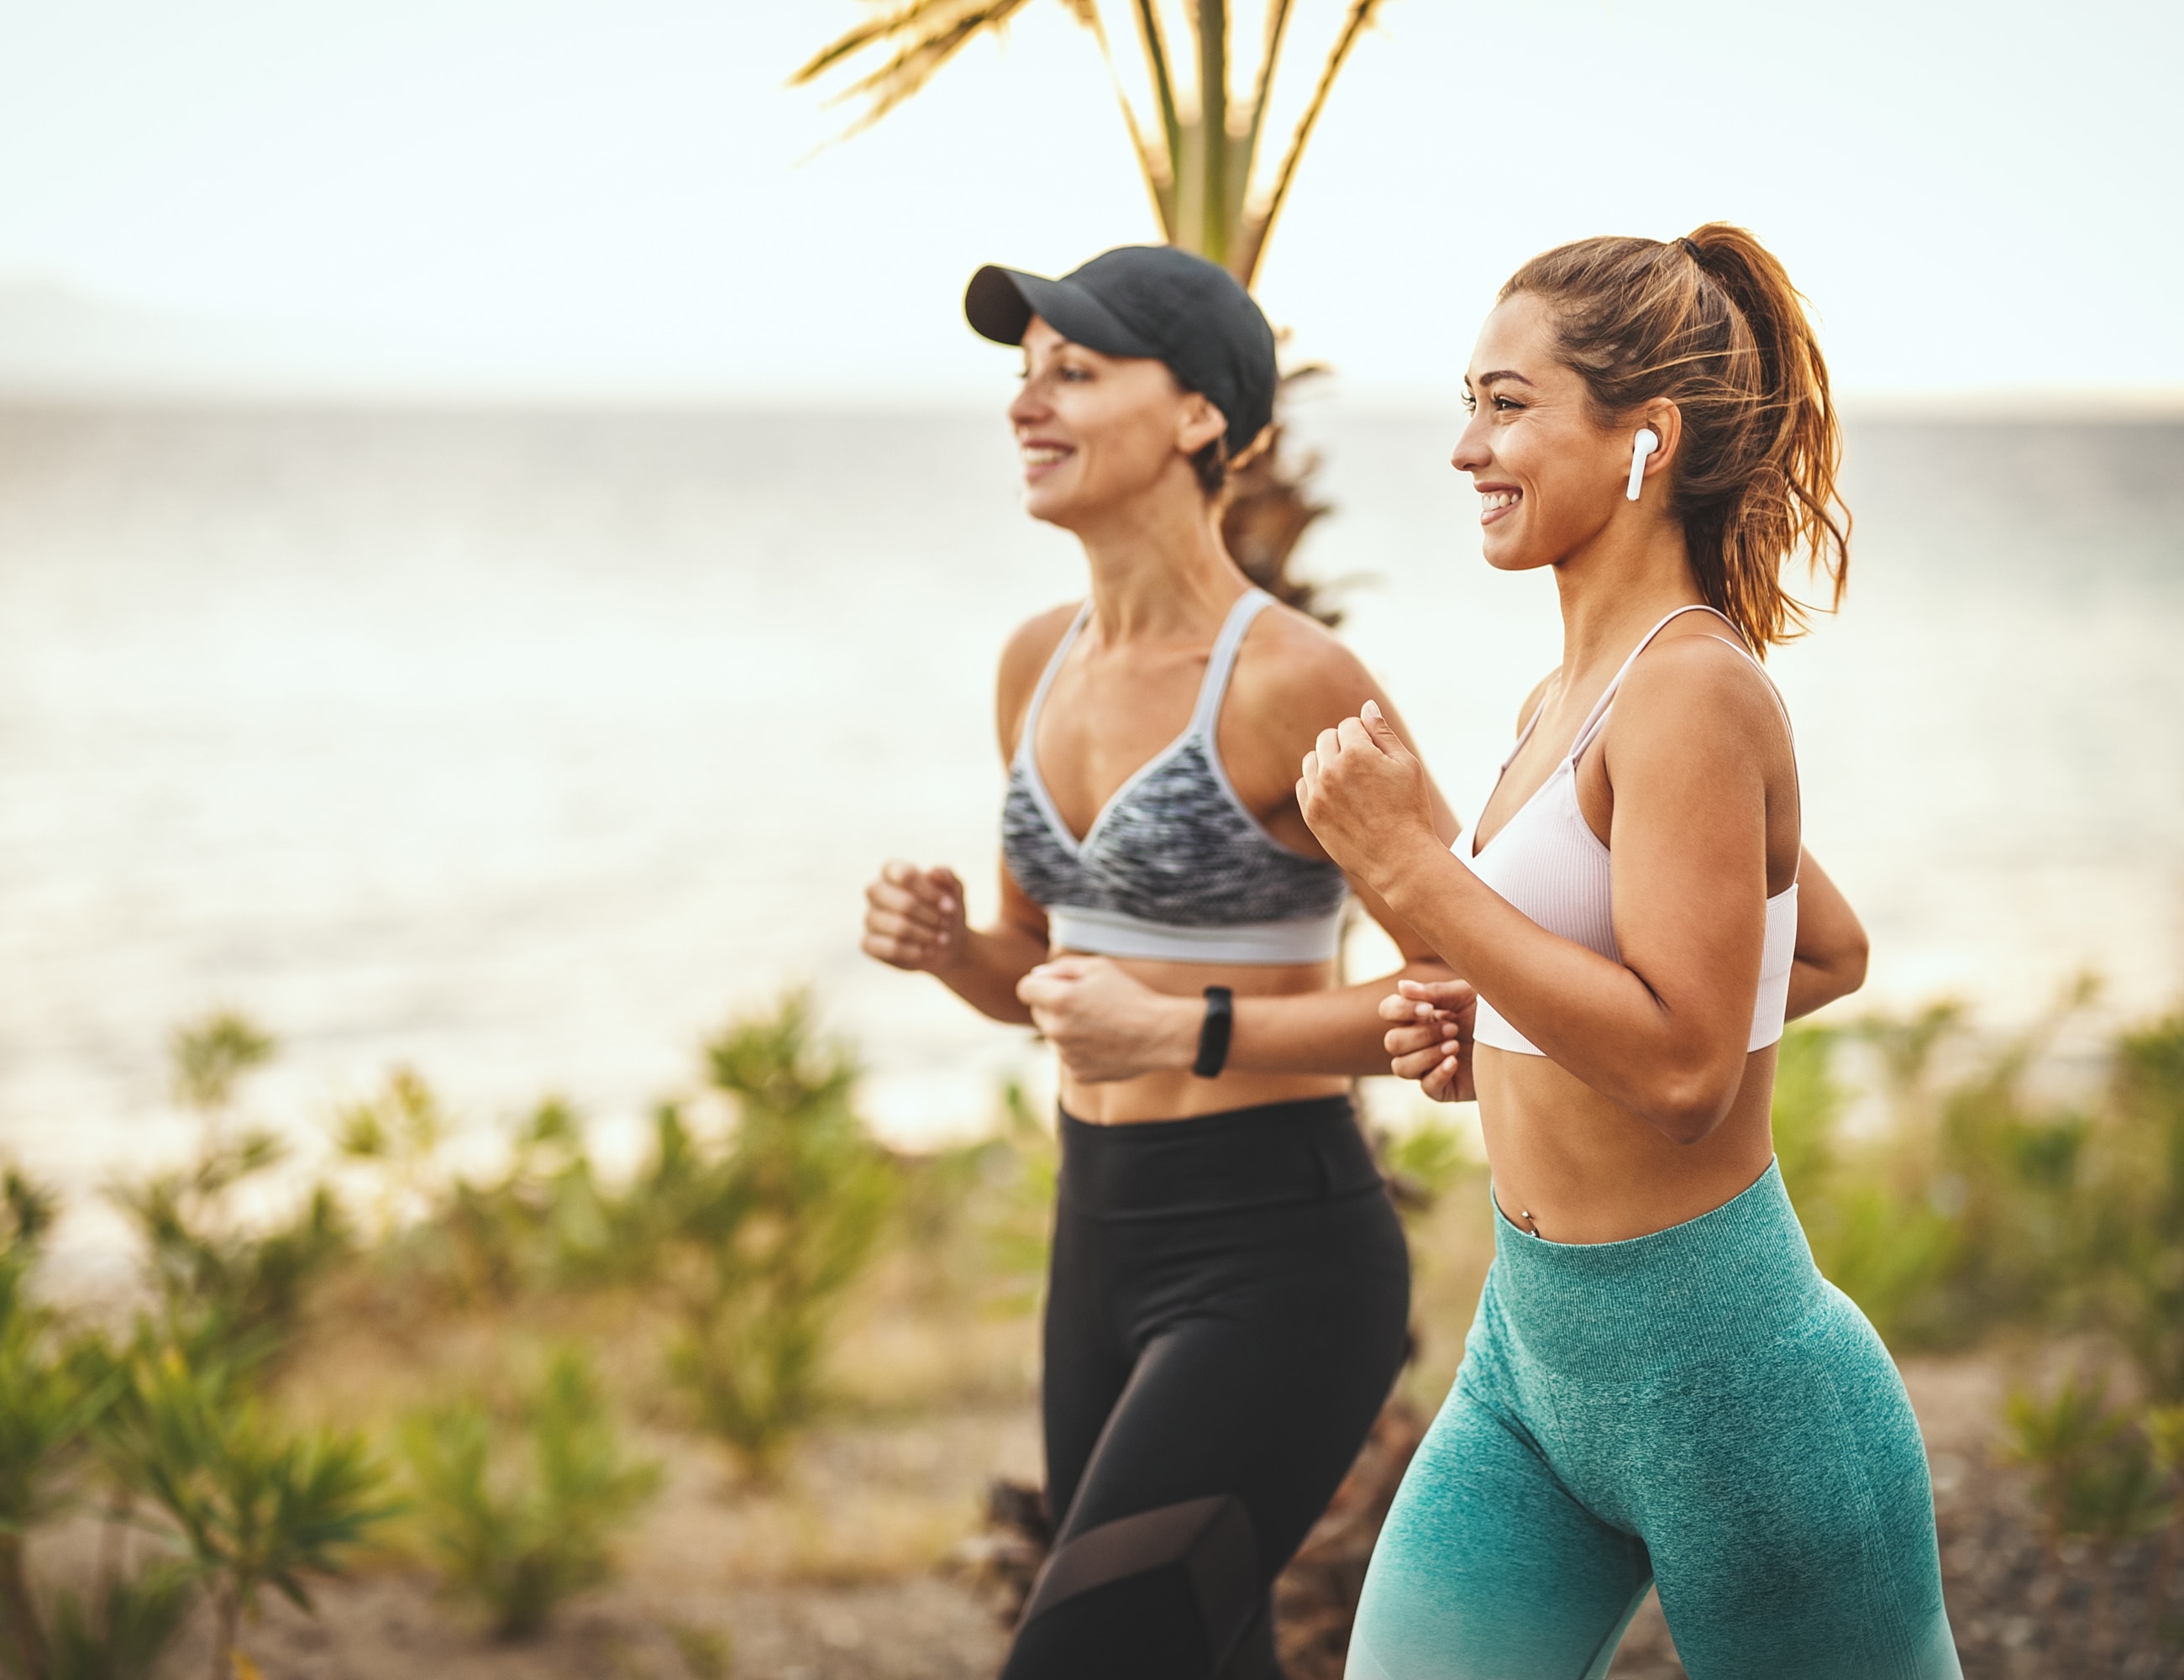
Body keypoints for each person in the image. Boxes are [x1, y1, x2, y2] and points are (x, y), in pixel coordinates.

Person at [1295, 227, 1961, 1677]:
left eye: (1508, 404)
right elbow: (1822, 949)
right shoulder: (1567, 694)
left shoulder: (1695, 692)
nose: (1468, 446)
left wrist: (1409, 865)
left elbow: (1681, 1069)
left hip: (1733, 1385)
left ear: (1644, 439)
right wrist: (1518, 1032)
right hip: (1532, 1371)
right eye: (1469, 403)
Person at [860, 244, 1461, 1680]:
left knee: (1081, 1662)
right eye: (1022, 376)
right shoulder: (1034, 666)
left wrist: (1184, 1031)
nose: (1029, 403)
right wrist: (953, 952)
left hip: (1279, 1254)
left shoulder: (1292, 681)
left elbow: (1460, 990)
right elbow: (1047, 979)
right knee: (1193, 1660)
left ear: (1201, 415)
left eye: (1075, 370)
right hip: (1102, 1235)